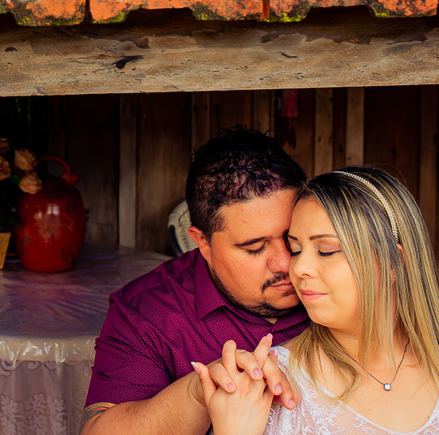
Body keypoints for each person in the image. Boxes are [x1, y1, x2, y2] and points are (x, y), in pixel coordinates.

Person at [193, 167, 439, 435]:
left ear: (393, 262)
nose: (298, 267)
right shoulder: (274, 388)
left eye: (326, 250)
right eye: (296, 248)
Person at [82, 128, 310, 435]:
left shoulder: (345, 275)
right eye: (255, 248)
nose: (286, 262)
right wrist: (198, 392)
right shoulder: (148, 311)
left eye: (292, 237)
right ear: (202, 243)